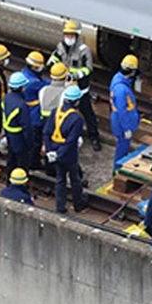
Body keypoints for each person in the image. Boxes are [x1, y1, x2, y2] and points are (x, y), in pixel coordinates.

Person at [49, 20, 102, 151]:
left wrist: (76, 75)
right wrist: (51, 63)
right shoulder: (60, 46)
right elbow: (55, 57)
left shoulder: (84, 50)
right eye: (66, 34)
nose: (68, 37)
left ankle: (94, 137)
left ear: (77, 36)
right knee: (62, 112)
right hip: (64, 88)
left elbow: (88, 69)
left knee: (87, 113)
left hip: (80, 90)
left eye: (71, 35)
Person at [45, 86, 88, 214]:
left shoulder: (55, 112)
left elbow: (46, 132)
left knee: (60, 179)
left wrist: (50, 152)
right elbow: (71, 141)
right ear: (76, 102)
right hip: (68, 154)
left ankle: (60, 206)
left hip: (54, 150)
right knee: (75, 179)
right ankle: (78, 204)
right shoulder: (77, 119)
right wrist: (59, 154)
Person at [109, 55, 141, 169]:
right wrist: (127, 128)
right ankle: (117, 170)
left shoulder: (117, 79)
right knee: (122, 149)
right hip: (122, 125)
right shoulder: (121, 89)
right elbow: (122, 111)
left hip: (120, 122)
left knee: (123, 147)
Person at [36, 63, 70, 159]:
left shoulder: (43, 90)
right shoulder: (65, 92)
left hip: (44, 121)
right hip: (57, 122)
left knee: (47, 143)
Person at [0, 73, 32, 170]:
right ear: (21, 87)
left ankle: (10, 181)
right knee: (22, 163)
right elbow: (27, 127)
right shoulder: (22, 105)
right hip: (19, 137)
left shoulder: (6, 98)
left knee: (11, 160)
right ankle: (20, 183)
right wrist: (30, 143)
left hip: (8, 134)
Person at [19, 51, 49, 123]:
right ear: (33, 67)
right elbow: (47, 85)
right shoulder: (34, 82)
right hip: (33, 110)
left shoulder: (24, 72)